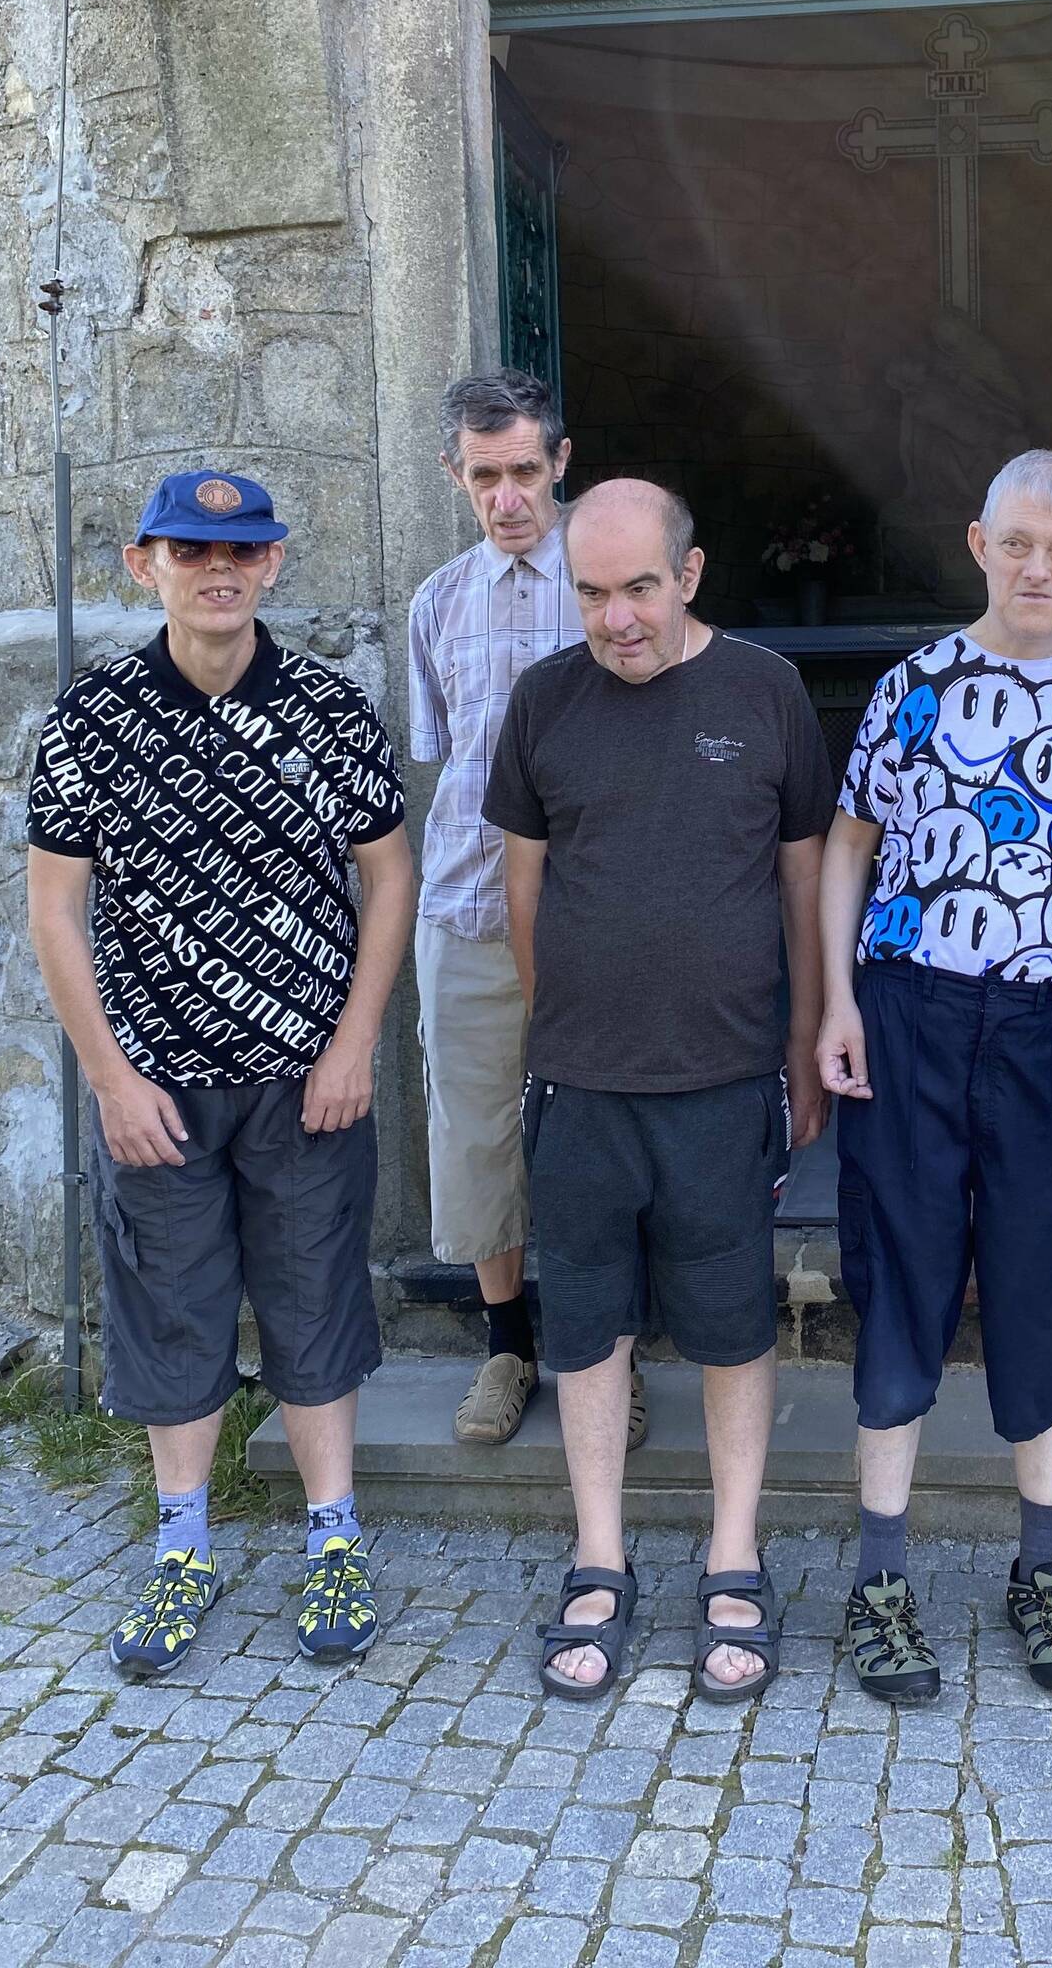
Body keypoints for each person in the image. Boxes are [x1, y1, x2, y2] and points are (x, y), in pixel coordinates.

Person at [26, 470, 415, 1677]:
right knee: (171, 1308)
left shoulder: (329, 710)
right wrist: (108, 1077)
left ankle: (334, 1536)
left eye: (241, 549)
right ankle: (182, 1546)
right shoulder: (89, 721)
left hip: (307, 1081)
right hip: (156, 1087)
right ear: (145, 563)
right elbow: (55, 910)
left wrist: (353, 1041)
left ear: (274, 562)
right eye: (191, 549)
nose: (218, 569)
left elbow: (389, 875)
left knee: (315, 1300)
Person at [482, 479, 832, 1703]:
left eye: (639, 587)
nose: (617, 617)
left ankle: (735, 1553)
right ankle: (600, 1554)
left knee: (733, 1322)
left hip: (726, 1076)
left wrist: (804, 1039)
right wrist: (565, 1029)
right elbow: (524, 889)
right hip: (581, 1084)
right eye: (592, 593)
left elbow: (803, 882)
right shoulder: (543, 700)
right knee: (586, 1324)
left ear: (688, 574)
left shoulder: (766, 691)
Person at [818, 450, 1052, 1704]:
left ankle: (1045, 1566)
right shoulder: (912, 687)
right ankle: (880, 1579)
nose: (1038, 568)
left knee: (1039, 1272)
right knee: (901, 1271)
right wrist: (839, 1000)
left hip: (1051, 1021)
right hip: (914, 1005)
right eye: (1019, 543)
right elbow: (848, 848)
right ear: (979, 543)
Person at [408, 371, 646, 1452]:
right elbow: (447, 760)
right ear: (453, 474)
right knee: (476, 1138)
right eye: (482, 476)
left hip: (598, 910)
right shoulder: (436, 602)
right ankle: (507, 1347)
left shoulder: (611, 588)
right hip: (466, 905)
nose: (506, 498)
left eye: (522, 471)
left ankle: (612, 1355)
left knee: (608, 1139)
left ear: (560, 461)